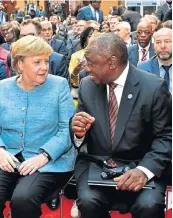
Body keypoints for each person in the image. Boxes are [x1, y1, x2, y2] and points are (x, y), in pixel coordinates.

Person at [71, 33, 171, 218]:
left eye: (91, 63)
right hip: (97, 165)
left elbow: (166, 137)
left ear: (112, 62)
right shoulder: (87, 84)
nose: (87, 67)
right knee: (88, 202)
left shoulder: (154, 88)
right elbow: (81, 134)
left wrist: (144, 171)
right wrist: (78, 131)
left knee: (149, 206)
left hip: (140, 164)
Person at [0, 35, 75, 218]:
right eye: (37, 62)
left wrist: (44, 156)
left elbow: (66, 131)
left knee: (23, 199)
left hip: (47, 160)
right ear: (20, 64)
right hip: (8, 154)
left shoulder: (59, 86)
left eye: (46, 61)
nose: (44, 67)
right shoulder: (3, 87)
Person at [138, 28, 172, 93]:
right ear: (153, 45)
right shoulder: (143, 69)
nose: (162, 46)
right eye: (158, 42)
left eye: (167, 41)